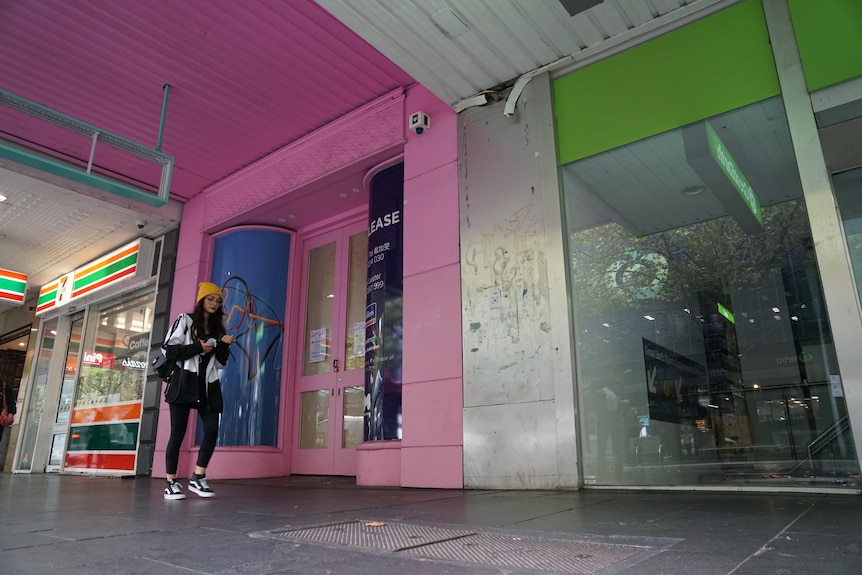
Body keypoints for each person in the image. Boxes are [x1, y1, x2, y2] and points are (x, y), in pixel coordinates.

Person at [162, 282, 233, 500]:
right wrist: (197, 348)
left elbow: (221, 364)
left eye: (218, 300)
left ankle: (198, 476)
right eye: (211, 299)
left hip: (208, 386)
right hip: (184, 383)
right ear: (202, 300)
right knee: (177, 435)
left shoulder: (219, 329)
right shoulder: (185, 320)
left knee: (211, 430)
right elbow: (168, 350)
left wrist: (224, 347)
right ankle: (171, 482)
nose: (214, 303)